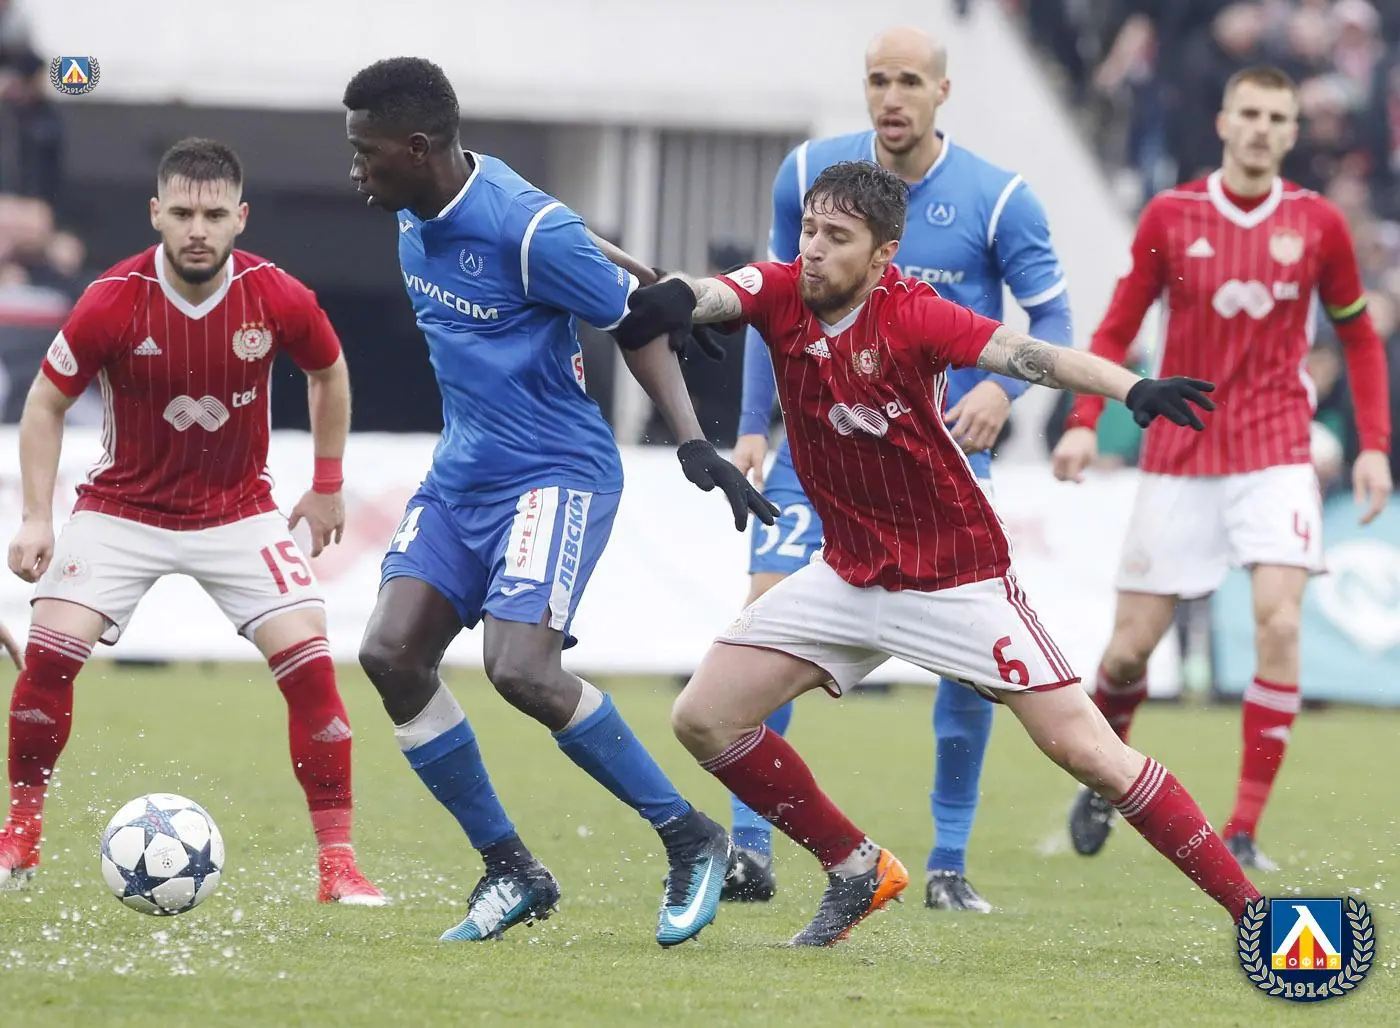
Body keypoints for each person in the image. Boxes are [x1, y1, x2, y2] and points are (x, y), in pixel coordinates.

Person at [617, 158, 1260, 947]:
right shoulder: (783, 288)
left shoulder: (915, 314)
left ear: (883, 255)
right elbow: (719, 292)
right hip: (848, 574)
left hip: (955, 580)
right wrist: (680, 297)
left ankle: (1254, 914)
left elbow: (1031, 355)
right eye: (810, 229)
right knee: (703, 718)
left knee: (1091, 753)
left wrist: (1131, 389)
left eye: (837, 236)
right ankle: (856, 867)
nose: (813, 248)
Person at [341, 58, 775, 947]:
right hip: (462, 476)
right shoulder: (423, 202)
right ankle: (511, 868)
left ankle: (690, 836)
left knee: (522, 670)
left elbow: (632, 320)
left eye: (365, 152)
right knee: (390, 654)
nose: (355, 170)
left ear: (417, 148)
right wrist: (641, 267)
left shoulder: (516, 223)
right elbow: (578, 241)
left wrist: (693, 442)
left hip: (555, 472)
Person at [725, 25, 1073, 911]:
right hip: (818, 453)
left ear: (941, 92)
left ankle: (947, 862)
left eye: (910, 81)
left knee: (972, 668)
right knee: (763, 622)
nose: (892, 97)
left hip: (933, 461)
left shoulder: (1000, 198)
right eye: (878, 79)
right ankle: (750, 850)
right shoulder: (812, 174)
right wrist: (752, 426)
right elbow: (772, 296)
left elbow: (1054, 323)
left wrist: (1004, 393)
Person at [0, 138, 385, 906]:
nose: (197, 229)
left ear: (241, 217)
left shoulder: (277, 295)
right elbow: (44, 404)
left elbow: (329, 371)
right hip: (121, 510)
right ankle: (20, 834)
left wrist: (327, 485)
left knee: (312, 668)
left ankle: (338, 865)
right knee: (46, 661)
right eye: (182, 213)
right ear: (157, 214)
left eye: (213, 214)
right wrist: (37, 518)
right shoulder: (113, 298)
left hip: (239, 512)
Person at [1053, 65, 1392, 870]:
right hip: (1179, 455)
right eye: (1250, 113)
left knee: (1280, 622)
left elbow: (1358, 338)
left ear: (1292, 132)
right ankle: (1104, 775)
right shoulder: (1171, 216)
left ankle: (1242, 828)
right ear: (1223, 122)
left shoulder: (1318, 224)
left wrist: (1375, 443)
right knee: (1129, 651)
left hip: (1276, 451)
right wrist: (1083, 423)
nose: (1263, 129)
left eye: (1277, 117)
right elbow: (1117, 328)